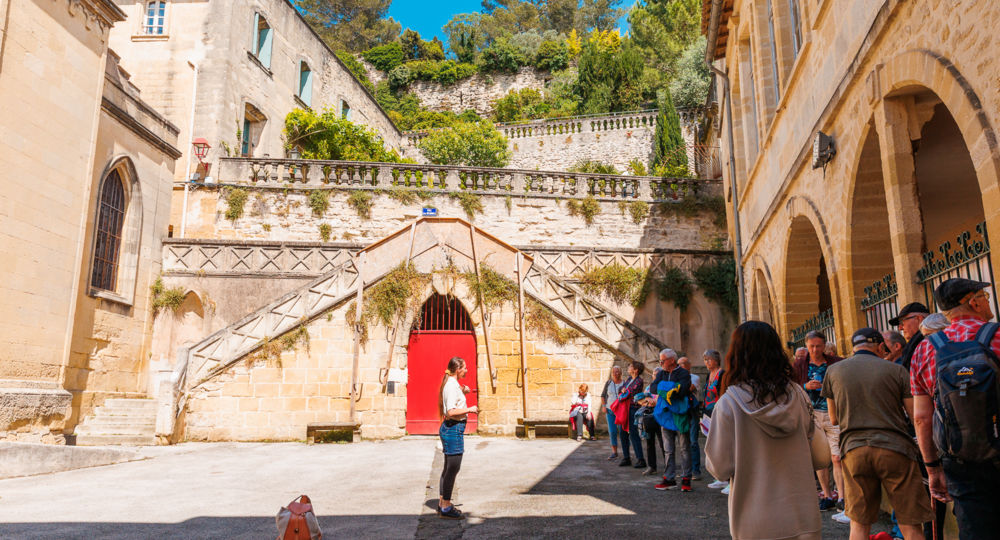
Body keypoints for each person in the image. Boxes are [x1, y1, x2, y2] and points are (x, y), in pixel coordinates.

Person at [706, 321, 822, 540]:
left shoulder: (729, 403)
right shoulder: (798, 394)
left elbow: (719, 467)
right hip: (803, 517)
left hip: (754, 520)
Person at [910, 278, 1000, 539]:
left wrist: (932, 468)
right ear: (972, 301)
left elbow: (921, 418)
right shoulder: (997, 337)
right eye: (983, 295)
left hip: (960, 460)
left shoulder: (925, 349)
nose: (987, 299)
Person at [822, 328, 932, 540]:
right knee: (910, 524)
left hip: (854, 450)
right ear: (880, 347)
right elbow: (915, 415)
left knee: (859, 524)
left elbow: (834, 419)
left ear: (855, 347)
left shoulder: (833, 371)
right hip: (895, 448)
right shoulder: (896, 370)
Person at [794, 330, 844, 512]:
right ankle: (827, 495)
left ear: (824, 346)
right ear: (807, 346)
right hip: (812, 415)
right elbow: (791, 388)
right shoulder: (799, 365)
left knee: (837, 457)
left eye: (818, 346)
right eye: (811, 346)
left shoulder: (836, 363)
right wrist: (805, 386)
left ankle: (843, 496)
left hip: (833, 414)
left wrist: (828, 387)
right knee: (821, 458)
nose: (815, 350)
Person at [438, 357, 478, 519]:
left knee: (449, 468)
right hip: (453, 430)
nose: (467, 370)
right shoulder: (450, 385)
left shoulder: (454, 385)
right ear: (458, 370)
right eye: (465, 368)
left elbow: (453, 401)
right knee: (453, 468)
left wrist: (463, 392)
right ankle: (446, 506)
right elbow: (450, 412)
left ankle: (443, 502)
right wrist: (470, 409)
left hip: (454, 430)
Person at [651, 348, 694, 492]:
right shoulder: (662, 373)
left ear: (672, 361)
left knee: (684, 448)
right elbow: (653, 388)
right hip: (666, 415)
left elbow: (682, 390)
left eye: (662, 360)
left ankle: (686, 478)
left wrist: (666, 389)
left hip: (680, 415)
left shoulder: (683, 373)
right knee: (668, 449)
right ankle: (669, 479)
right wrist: (670, 388)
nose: (661, 363)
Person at [702, 349, 729, 490]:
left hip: (719, 412)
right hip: (708, 412)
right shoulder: (709, 375)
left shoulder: (722, 374)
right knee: (712, 445)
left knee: (721, 444)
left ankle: (725, 477)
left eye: (709, 359)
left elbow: (723, 393)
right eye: (705, 359)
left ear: (716, 360)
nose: (706, 362)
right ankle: (718, 476)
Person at [614, 361, 647, 469]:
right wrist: (623, 390)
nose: (628, 367)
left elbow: (630, 393)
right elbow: (621, 389)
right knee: (623, 433)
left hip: (632, 409)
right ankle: (626, 457)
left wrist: (624, 391)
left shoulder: (639, 381)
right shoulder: (629, 379)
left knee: (633, 434)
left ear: (636, 370)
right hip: (624, 409)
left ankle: (640, 459)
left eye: (630, 366)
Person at [679, 356, 703, 480]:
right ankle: (686, 470)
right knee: (683, 443)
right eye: (679, 364)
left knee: (693, 441)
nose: (680, 366)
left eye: (682, 364)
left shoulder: (694, 377)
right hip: (681, 412)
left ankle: (696, 470)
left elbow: (688, 389)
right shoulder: (677, 378)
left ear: (689, 365)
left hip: (692, 412)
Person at [600, 366, 626, 460]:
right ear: (611, 373)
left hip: (621, 411)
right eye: (614, 372)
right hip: (610, 410)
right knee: (612, 431)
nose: (616, 373)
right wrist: (603, 406)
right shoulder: (608, 383)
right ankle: (614, 452)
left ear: (621, 373)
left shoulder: (624, 383)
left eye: (618, 371)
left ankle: (625, 452)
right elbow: (603, 395)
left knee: (623, 432)